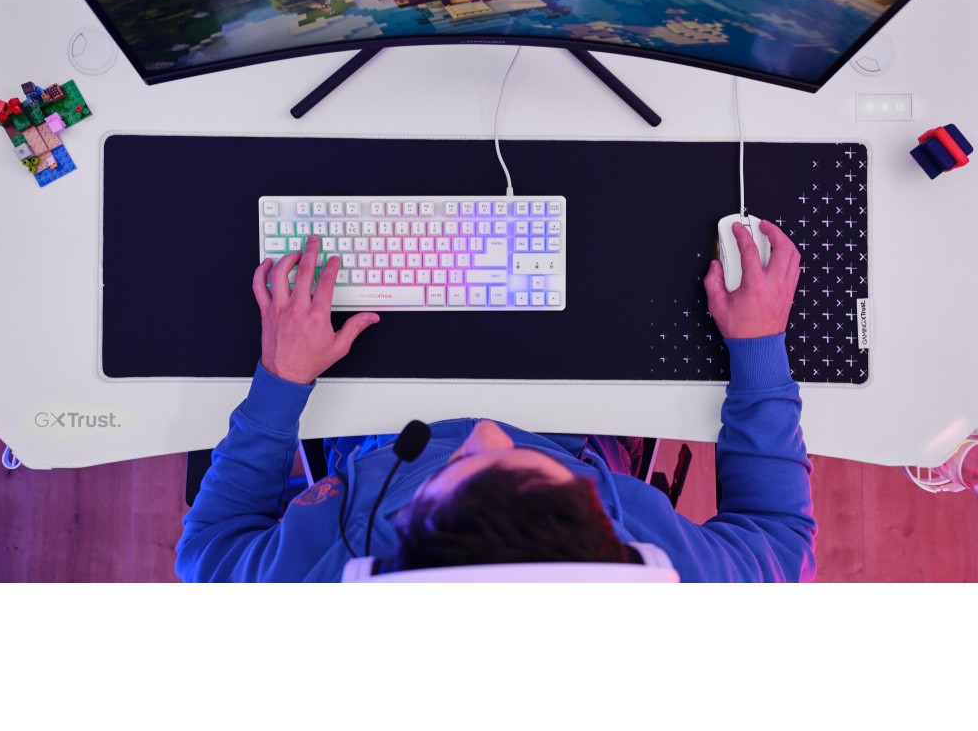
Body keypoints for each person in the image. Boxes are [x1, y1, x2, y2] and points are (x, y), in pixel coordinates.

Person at [175, 221, 815, 582]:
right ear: (623, 546)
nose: (484, 428)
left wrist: (282, 380)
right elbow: (781, 537)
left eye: (457, 468)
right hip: (584, 432)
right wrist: (759, 346)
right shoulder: (683, 580)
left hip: (368, 430)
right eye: (527, 466)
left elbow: (210, 545)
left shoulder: (303, 586)